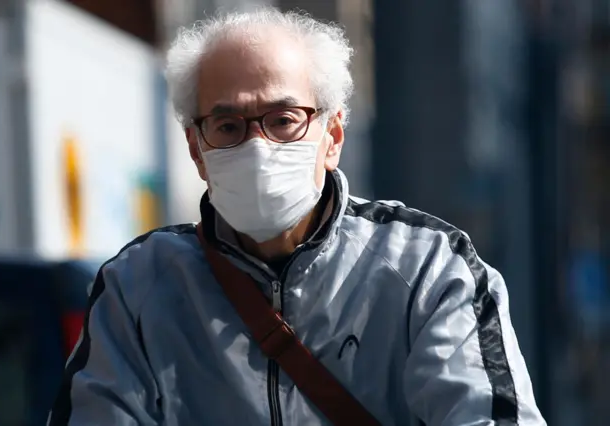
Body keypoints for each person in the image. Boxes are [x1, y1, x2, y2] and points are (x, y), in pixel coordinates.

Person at [48, 7, 545, 426]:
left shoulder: (428, 270)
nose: (257, 146)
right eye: (228, 125)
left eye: (284, 120)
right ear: (197, 149)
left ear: (332, 137)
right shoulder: (138, 288)